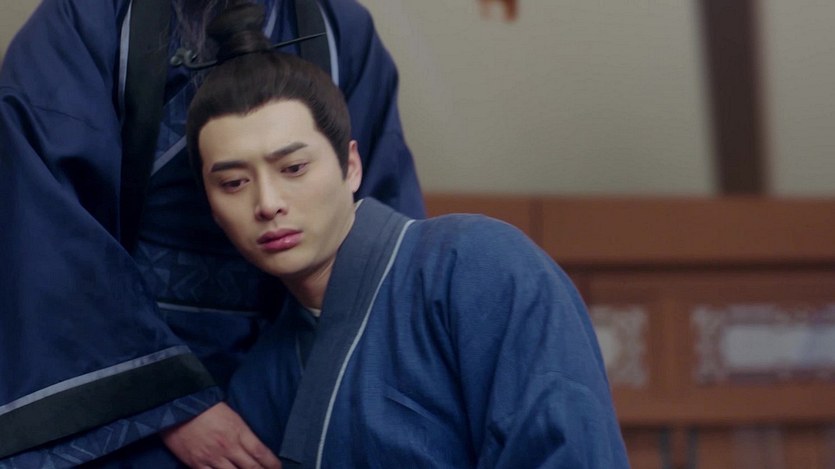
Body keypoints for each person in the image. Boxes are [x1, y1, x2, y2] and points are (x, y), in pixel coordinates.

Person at [185, 4, 629, 467]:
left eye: (293, 168)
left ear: (351, 166)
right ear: (211, 207)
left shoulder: (481, 267)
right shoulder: (260, 383)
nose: (267, 202)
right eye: (234, 183)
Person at [0, 0, 423, 466]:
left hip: (297, 362)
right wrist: (166, 398)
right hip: (124, 368)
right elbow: (40, 221)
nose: (267, 203)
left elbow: (375, 237)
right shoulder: (89, 16)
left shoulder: (339, 26)